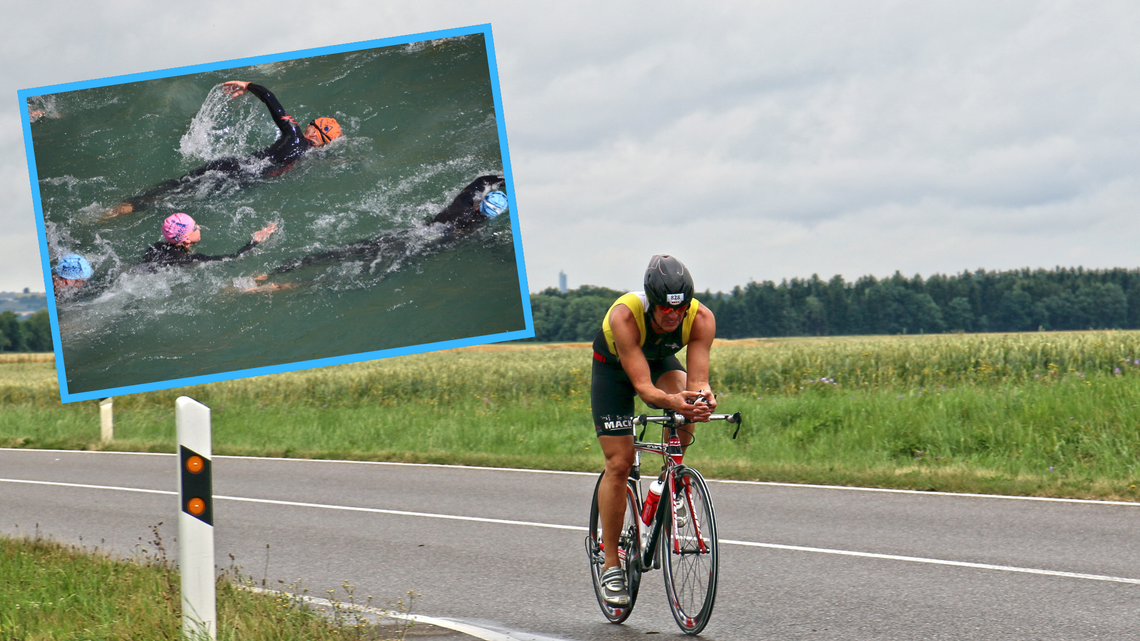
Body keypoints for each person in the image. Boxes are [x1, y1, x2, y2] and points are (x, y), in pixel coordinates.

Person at [590, 254, 717, 606]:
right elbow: (645, 391)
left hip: (660, 362)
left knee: (689, 399)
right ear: (651, 304)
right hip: (614, 371)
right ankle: (612, 565)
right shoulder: (625, 316)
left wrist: (703, 399)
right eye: (665, 309)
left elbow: (699, 381)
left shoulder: (701, 318)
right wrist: (674, 401)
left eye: (680, 308)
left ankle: (671, 481)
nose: (673, 316)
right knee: (619, 462)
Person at [107, 81, 342, 217]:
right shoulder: (310, 157)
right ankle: (133, 209)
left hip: (233, 167)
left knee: (177, 186)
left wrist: (248, 85)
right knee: (183, 197)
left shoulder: (294, 136)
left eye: (310, 124)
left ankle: (120, 209)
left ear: (312, 130)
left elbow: (270, 98)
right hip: (244, 182)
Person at [239, 175, 507, 290]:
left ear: (482, 201)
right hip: (422, 248)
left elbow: (481, 180)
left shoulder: (461, 206)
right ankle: (285, 286)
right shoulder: (474, 229)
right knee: (359, 270)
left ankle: (269, 274)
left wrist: (501, 179)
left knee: (342, 253)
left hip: (412, 235)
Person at [140, 212, 277, 267]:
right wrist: (255, 241)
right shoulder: (188, 259)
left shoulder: (156, 247)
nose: (199, 226)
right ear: (186, 240)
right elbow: (234, 258)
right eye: (195, 227)